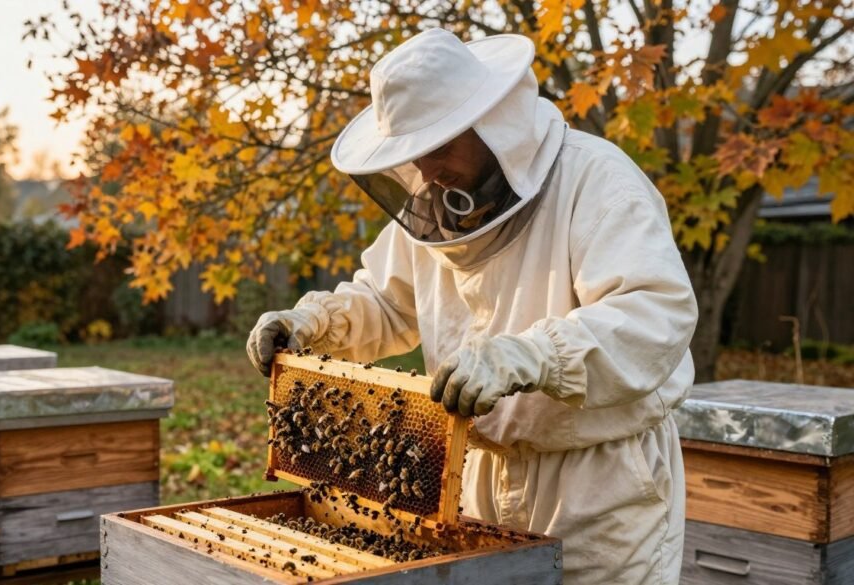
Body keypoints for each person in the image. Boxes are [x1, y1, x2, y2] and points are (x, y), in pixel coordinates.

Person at [247, 27, 697, 585]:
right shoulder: (434, 208)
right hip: (472, 471)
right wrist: (313, 322)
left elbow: (655, 315)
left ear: (491, 124)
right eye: (415, 154)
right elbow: (386, 304)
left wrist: (532, 355)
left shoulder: (598, 181)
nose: (429, 171)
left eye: (439, 147)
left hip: (597, 481)